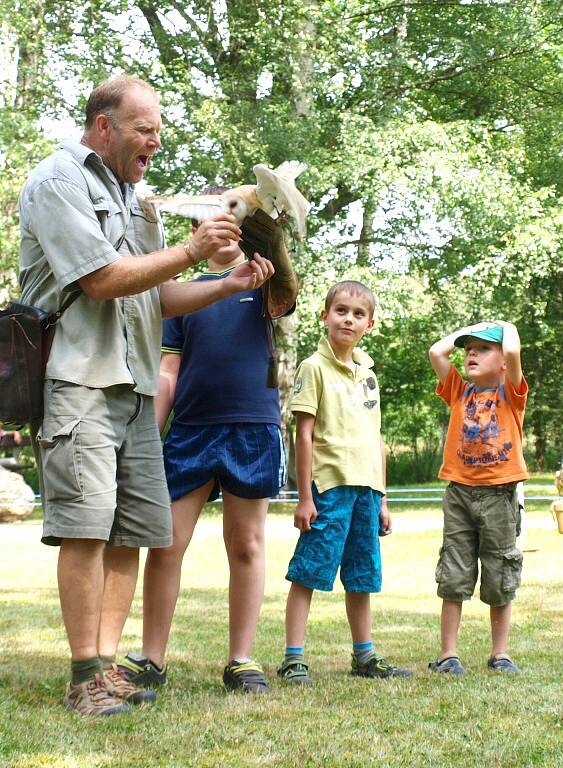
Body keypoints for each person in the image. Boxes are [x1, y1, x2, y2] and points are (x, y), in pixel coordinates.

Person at [18, 75, 275, 716]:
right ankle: (84, 677)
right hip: (78, 380)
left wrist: (226, 284)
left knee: (131, 532)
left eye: (159, 130)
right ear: (104, 126)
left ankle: (108, 668)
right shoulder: (58, 181)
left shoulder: (139, 201)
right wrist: (192, 249)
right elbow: (103, 280)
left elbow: (153, 295)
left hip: (132, 386)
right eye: (145, 129)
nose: (155, 143)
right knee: (84, 531)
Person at [118, 200, 298, 694]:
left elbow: (287, 286)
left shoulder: (263, 280)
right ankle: (151, 657)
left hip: (252, 429)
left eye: (232, 219)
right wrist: (146, 442)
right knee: (167, 544)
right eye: (210, 219)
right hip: (191, 432)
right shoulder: (179, 295)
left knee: (246, 545)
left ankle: (241, 659)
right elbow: (167, 373)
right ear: (196, 230)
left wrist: (271, 231)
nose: (222, 227)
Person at [277, 280, 413, 684]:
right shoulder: (313, 368)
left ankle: (364, 655)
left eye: (358, 314)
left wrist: (383, 499)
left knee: (362, 575)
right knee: (308, 572)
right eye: (341, 311)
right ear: (325, 316)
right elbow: (303, 435)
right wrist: (305, 497)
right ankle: (293, 657)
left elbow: (378, 440)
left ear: (369, 324)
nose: (348, 319)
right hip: (329, 488)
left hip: (367, 491)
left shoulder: (368, 374)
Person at [428, 321, 528, 675]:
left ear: (503, 362)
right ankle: (448, 653)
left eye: (483, 348)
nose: (471, 353)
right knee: (454, 573)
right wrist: (471, 331)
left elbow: (513, 350)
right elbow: (436, 352)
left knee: (501, 572)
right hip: (459, 494)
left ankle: (500, 653)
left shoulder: (511, 393)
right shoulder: (458, 391)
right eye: (468, 348)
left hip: (500, 496)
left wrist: (504, 326)